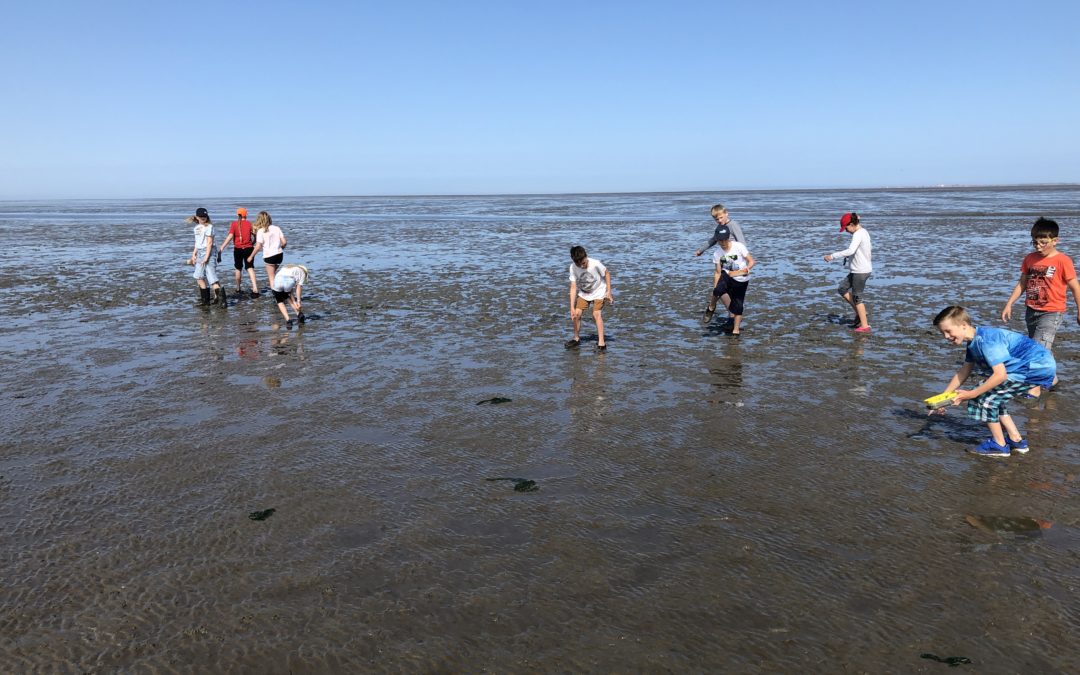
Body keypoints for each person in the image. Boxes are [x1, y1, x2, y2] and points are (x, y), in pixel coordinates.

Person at [932, 306, 1056, 457]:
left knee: (984, 399)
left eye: (948, 331)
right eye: (942, 333)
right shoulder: (973, 342)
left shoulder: (987, 341)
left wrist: (971, 394)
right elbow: (964, 371)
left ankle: (999, 445)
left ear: (963, 325)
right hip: (1030, 367)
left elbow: (1000, 375)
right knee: (994, 396)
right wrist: (942, 399)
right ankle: (1016, 439)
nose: (945, 336)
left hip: (1034, 368)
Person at [1000, 217, 1080, 397]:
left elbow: (1075, 287)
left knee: (1037, 349)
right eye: (1035, 242)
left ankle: (1034, 389)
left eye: (1043, 243)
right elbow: (1022, 283)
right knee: (1043, 348)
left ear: (1055, 240)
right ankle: (1052, 379)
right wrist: (1009, 303)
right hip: (1032, 310)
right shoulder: (1030, 259)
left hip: (1052, 312)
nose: (1038, 246)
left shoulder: (1063, 261)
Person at [823, 212, 872, 333]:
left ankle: (865, 325)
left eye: (846, 228)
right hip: (857, 270)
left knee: (857, 298)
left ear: (852, 224)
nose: (845, 231)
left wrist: (832, 256)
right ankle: (860, 313)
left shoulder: (858, 234)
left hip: (860, 271)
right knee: (842, 289)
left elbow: (851, 250)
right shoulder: (862, 232)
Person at [702, 227, 755, 335]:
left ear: (728, 238)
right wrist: (715, 287)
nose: (722, 243)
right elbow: (717, 272)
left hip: (741, 279)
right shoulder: (717, 253)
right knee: (718, 290)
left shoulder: (739, 246)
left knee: (738, 306)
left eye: (724, 239)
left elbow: (751, 261)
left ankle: (735, 331)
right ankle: (711, 307)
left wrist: (746, 269)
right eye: (720, 240)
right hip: (727, 275)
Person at [566, 246, 613, 351]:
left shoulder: (595, 263)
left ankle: (601, 343)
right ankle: (576, 338)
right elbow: (573, 287)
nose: (582, 266)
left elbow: (607, 273)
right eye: (579, 264)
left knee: (596, 314)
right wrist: (571, 308)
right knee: (576, 314)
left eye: (583, 263)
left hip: (599, 291)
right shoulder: (572, 267)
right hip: (584, 293)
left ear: (586, 256)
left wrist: (609, 292)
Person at [187, 207, 224, 306]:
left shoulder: (209, 227)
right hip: (200, 252)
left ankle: (220, 301)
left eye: (205, 216)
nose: (203, 218)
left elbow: (209, 243)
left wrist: (206, 257)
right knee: (199, 276)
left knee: (211, 277)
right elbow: (197, 242)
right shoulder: (197, 228)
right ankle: (205, 300)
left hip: (209, 252)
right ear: (197, 217)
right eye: (201, 216)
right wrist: (193, 254)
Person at [220, 207, 260, 298]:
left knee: (238, 268)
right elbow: (255, 236)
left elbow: (230, 237)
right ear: (246, 214)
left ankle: (238, 288)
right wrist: (253, 243)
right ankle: (255, 288)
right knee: (250, 268)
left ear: (238, 215)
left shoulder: (234, 224)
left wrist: (222, 247)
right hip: (249, 249)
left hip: (238, 249)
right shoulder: (250, 224)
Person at [249, 211, 286, 289]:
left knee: (271, 277)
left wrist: (251, 256)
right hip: (279, 255)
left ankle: (276, 295)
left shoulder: (260, 231)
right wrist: (280, 248)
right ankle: (280, 290)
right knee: (274, 274)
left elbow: (258, 246)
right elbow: (284, 242)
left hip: (269, 256)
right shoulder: (277, 228)